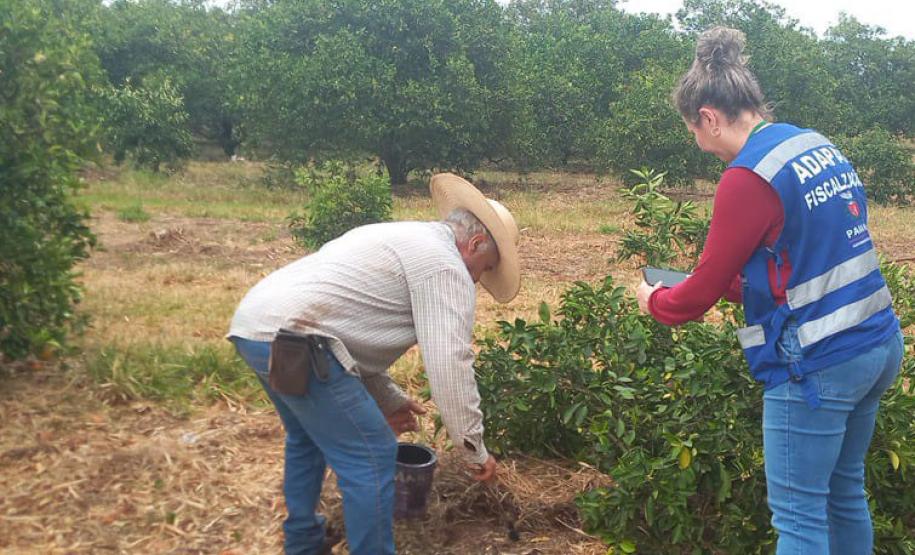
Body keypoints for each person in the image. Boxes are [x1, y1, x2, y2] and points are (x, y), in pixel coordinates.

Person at [634, 27, 903, 554]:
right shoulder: (814, 145)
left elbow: (696, 297)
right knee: (844, 495)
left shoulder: (746, 177)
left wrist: (654, 301)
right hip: (877, 343)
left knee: (799, 519)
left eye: (693, 130)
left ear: (708, 117)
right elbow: (804, 260)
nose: (698, 142)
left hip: (818, 366)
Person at [227, 173, 520, 555]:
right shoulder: (446, 266)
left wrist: (388, 396)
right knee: (372, 454)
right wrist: (473, 448)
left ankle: (303, 542)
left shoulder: (403, 237)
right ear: (476, 242)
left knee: (306, 438)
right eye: (485, 267)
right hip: (302, 340)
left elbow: (349, 328)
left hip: (256, 328)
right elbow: (450, 364)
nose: (478, 279)